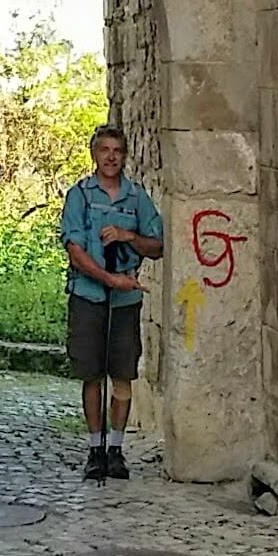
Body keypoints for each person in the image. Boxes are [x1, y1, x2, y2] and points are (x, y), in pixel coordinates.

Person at [60, 124, 163, 481]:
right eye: (104, 150)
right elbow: (75, 250)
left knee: (122, 374)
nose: (111, 157)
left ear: (124, 155)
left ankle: (116, 449)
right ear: (94, 154)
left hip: (125, 303)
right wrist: (109, 280)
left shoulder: (136, 199)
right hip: (88, 297)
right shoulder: (80, 197)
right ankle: (94, 448)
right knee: (92, 374)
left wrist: (128, 236)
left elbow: (158, 245)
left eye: (117, 151)